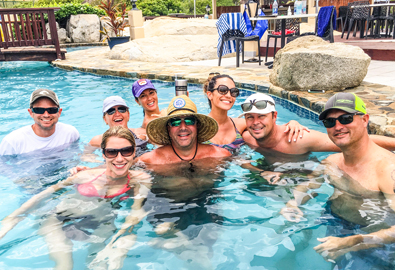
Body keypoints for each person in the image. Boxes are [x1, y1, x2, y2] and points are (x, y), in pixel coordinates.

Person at [0, 126, 151, 270]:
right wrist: (12, 219)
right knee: (64, 266)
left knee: (101, 264)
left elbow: (135, 215)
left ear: (134, 152)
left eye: (126, 151)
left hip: (101, 223)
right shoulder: (84, 176)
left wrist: (114, 242)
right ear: (104, 154)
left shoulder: (141, 179)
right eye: (112, 152)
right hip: (57, 220)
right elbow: (43, 196)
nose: (119, 158)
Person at [281, 93, 395, 268]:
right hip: (335, 222)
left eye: (346, 118)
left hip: (374, 237)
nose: (338, 126)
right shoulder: (331, 162)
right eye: (330, 122)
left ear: (365, 120)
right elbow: (309, 185)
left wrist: (352, 242)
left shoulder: (387, 170)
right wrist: (293, 203)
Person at [240, 93, 395, 177]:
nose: (255, 123)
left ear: (274, 117)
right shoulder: (247, 137)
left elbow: (356, 140)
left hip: (300, 181)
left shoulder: (298, 138)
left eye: (261, 116)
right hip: (265, 174)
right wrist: (259, 172)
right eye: (250, 117)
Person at [202, 73, 307, 153]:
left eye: (233, 91)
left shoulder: (240, 125)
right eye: (223, 90)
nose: (229, 95)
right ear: (210, 94)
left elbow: (270, 128)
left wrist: (293, 123)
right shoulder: (199, 126)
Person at [138, 94, 232, 167]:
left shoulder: (220, 155)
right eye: (175, 122)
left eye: (189, 121)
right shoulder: (150, 161)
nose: (183, 127)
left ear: (197, 126)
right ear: (168, 128)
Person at [0, 89, 79, 155]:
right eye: (39, 110)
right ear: (31, 112)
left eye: (52, 110)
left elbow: (76, 158)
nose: (46, 115)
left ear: (59, 112)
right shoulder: (12, 141)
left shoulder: (70, 133)